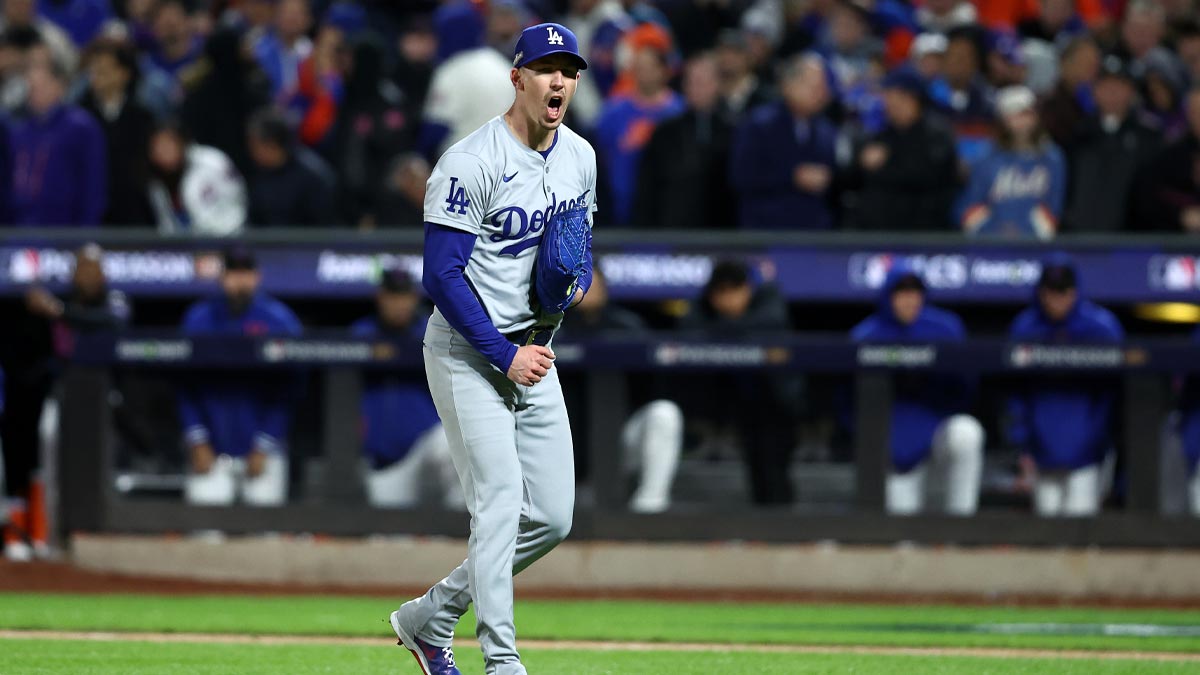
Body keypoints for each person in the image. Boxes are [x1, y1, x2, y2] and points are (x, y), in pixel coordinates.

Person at [388, 23, 596, 675]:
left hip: (535, 355)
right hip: (470, 354)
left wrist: (575, 281)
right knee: (502, 501)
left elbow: (579, 251)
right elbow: (441, 276)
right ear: (518, 78)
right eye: (545, 67)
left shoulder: (580, 157)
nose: (559, 79)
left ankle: (429, 616)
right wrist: (504, 355)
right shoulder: (469, 161)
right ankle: (502, 660)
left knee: (552, 517)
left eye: (569, 68)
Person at [850, 262, 984, 516]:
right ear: (888, 296)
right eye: (901, 293)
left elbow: (966, 386)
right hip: (894, 450)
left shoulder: (945, 328)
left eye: (915, 293)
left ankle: (960, 525)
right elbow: (849, 402)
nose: (909, 300)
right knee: (902, 530)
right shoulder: (866, 335)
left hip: (938, 436)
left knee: (967, 432)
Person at [178, 246, 302, 508]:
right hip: (210, 448)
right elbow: (183, 384)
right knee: (204, 534)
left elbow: (292, 388)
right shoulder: (198, 319)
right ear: (221, 277)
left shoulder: (280, 321)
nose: (239, 281)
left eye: (245, 273)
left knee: (265, 538)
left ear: (257, 276)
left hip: (264, 450)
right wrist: (197, 439)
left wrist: (266, 442)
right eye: (233, 273)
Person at [556, 269, 682, 513]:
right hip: (560, 447)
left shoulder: (627, 326)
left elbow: (652, 385)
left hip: (619, 442)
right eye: (581, 284)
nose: (588, 291)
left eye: (593, 284)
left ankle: (649, 510)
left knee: (664, 414)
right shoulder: (550, 326)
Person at [1008, 257, 1123, 517]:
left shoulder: (1101, 328)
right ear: (1041, 293)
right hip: (1040, 453)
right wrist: (1022, 445)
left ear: (1076, 292)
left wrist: (1101, 444)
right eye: (1051, 293)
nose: (1057, 300)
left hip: (1089, 453)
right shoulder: (1025, 328)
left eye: (1064, 293)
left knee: (1080, 526)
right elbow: (1015, 395)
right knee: (1046, 526)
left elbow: (1113, 397)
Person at [679, 260, 801, 505]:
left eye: (735, 291)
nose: (729, 300)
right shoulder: (702, 307)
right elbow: (688, 328)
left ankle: (782, 524)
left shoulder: (768, 298)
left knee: (773, 465)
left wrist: (724, 330)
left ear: (748, 288)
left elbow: (771, 323)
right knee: (755, 464)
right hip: (734, 403)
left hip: (777, 403)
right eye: (721, 293)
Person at [351, 270, 461, 510]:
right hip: (384, 460)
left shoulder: (435, 332)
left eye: (404, 296)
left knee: (450, 442)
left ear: (414, 298)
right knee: (392, 536)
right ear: (380, 298)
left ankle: (464, 527)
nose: (399, 304)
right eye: (392, 296)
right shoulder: (361, 334)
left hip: (425, 447)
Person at [730, 52, 837, 230]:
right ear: (789, 86)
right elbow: (741, 175)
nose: (822, 94)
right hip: (767, 232)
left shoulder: (827, 130)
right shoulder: (759, 124)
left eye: (824, 87)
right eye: (815, 87)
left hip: (813, 235)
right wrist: (792, 177)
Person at [593, 23, 684, 226]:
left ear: (665, 71)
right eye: (639, 67)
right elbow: (602, 157)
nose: (643, 73)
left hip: (666, 211)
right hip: (619, 210)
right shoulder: (613, 111)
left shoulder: (679, 111)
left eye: (649, 67)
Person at [848, 67, 959, 231]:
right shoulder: (882, 133)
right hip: (880, 233)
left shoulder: (936, 133)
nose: (885, 101)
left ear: (910, 97)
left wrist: (884, 166)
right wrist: (862, 163)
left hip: (923, 233)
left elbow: (927, 176)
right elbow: (854, 176)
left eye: (890, 94)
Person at [633, 52, 734, 229]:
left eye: (702, 82)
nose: (695, 88)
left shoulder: (733, 131)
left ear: (717, 85)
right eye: (690, 82)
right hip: (671, 231)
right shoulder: (665, 132)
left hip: (720, 235)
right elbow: (648, 188)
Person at [1063, 55, 1162, 233]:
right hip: (1080, 238)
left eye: (1119, 86)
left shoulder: (1149, 136)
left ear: (1131, 91)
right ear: (1094, 91)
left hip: (1131, 241)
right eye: (1105, 86)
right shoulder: (1078, 134)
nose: (1112, 92)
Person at [9, 52, 106, 227]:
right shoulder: (19, 130)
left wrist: (86, 234)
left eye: (40, 86)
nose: (33, 93)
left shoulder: (80, 127)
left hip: (64, 233)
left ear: (59, 87)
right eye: (31, 87)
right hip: (20, 232)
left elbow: (93, 187)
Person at [959, 85, 1066, 239]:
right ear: (1003, 120)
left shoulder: (1052, 157)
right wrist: (996, 231)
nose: (1021, 122)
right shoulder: (984, 157)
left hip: (1036, 244)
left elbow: (1054, 206)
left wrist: (1028, 231)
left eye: (1026, 114)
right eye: (1013, 116)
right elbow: (972, 205)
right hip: (991, 244)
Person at [418, 1, 514, 159]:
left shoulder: (451, 71)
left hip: (466, 166)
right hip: (508, 163)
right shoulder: (502, 65)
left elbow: (436, 130)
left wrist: (419, 155)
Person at [78, 37, 156, 227]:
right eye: (94, 70)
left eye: (104, 70)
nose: (97, 76)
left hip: (132, 214)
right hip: (91, 216)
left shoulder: (142, 117)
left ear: (124, 74)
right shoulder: (79, 117)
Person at [180, 25, 272, 174]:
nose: (248, 50)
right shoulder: (252, 94)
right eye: (242, 45)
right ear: (232, 52)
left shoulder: (194, 96)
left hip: (210, 177)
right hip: (243, 176)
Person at [147, 118, 247, 235]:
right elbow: (166, 227)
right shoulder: (155, 181)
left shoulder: (212, 161)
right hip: (185, 248)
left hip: (229, 242)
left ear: (182, 142)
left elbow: (237, 205)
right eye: (156, 147)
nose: (162, 152)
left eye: (168, 144)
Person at [245, 107, 338, 227]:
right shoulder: (258, 174)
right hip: (266, 245)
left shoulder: (313, 176)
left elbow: (324, 227)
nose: (251, 152)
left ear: (271, 144)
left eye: (254, 145)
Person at [1133, 87, 1200, 233]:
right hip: (1178, 244)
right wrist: (1181, 215)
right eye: (1195, 112)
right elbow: (1148, 202)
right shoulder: (1168, 156)